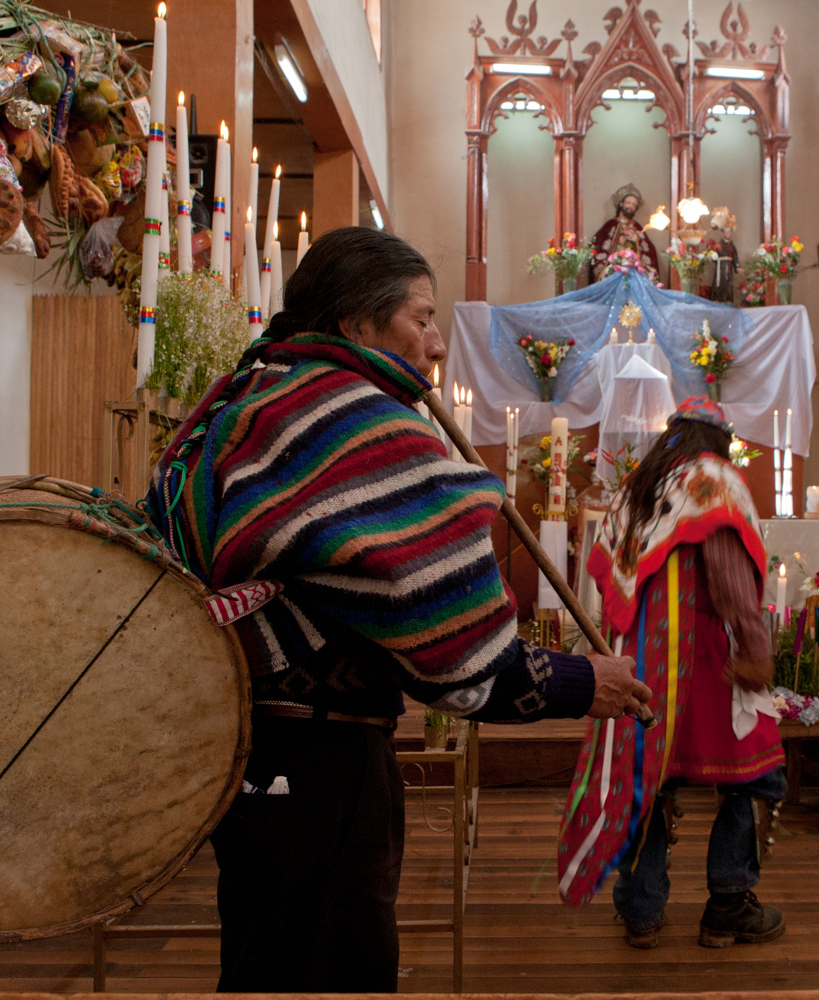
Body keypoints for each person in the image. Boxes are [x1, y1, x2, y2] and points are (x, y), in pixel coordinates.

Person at [144, 226, 650, 993]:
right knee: (329, 969)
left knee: (266, 958)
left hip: (247, 754)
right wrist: (589, 682)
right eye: (422, 317)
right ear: (356, 325)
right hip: (323, 771)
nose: (438, 344)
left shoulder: (255, 397)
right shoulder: (359, 424)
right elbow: (465, 669)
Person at [557, 397, 786, 950]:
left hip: (641, 660)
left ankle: (641, 910)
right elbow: (730, 576)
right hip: (704, 661)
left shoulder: (640, 485)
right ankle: (728, 906)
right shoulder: (713, 481)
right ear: (719, 441)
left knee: (649, 779)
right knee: (759, 776)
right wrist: (755, 648)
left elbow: (609, 578)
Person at [591, 182, 660, 282]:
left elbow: (649, 252)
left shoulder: (637, 227)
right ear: (621, 204)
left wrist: (636, 241)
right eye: (628, 202)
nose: (631, 206)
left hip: (634, 271)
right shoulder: (610, 225)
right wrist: (617, 242)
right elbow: (598, 246)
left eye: (634, 205)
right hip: (615, 271)